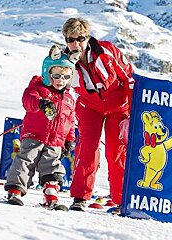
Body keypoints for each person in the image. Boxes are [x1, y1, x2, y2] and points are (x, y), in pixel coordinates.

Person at [60, 17, 134, 211]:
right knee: (87, 147)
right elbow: (59, 86)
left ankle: (120, 200)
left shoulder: (106, 51)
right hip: (89, 107)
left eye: (80, 39)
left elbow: (129, 79)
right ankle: (80, 197)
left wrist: (131, 114)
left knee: (115, 152)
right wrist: (69, 66)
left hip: (118, 107)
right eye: (70, 40)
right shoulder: (64, 61)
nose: (76, 44)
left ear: (88, 37)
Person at [4, 53, 76, 209]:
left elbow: (70, 121)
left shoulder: (69, 99)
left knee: (52, 165)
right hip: (34, 135)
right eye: (57, 75)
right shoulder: (37, 88)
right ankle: (15, 190)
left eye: (65, 77)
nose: (61, 80)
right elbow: (27, 101)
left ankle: (51, 194)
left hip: (56, 141)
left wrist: (69, 140)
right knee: (26, 160)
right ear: (47, 74)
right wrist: (40, 103)